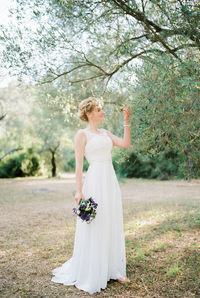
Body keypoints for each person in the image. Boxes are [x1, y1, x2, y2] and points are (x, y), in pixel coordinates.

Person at [51, 97, 131, 295]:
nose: (102, 112)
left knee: (111, 220)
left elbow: (125, 143)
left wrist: (126, 121)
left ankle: (114, 268)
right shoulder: (82, 134)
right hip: (94, 179)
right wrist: (79, 191)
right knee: (95, 222)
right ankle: (94, 268)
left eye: (101, 109)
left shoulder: (105, 133)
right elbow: (79, 164)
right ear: (89, 113)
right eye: (98, 109)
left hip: (109, 179)